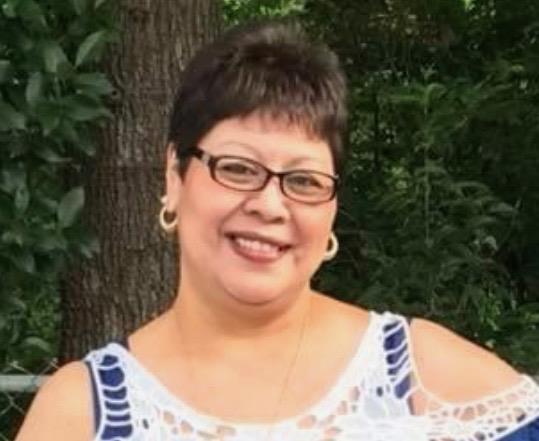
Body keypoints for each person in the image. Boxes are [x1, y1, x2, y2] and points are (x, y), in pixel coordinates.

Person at [16, 20, 539, 441]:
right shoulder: (79, 414)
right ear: (174, 175)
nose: (270, 205)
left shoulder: (433, 385)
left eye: (304, 181)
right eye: (238, 169)